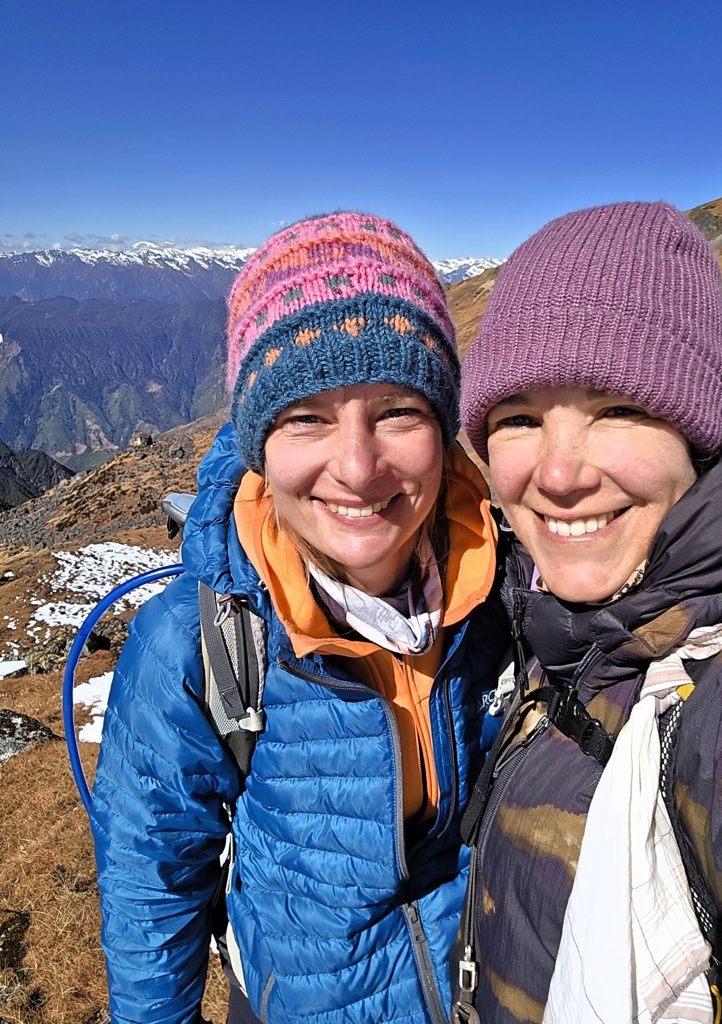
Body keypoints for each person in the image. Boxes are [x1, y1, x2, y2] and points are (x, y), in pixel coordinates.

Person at [90, 212, 508, 1024]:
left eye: (398, 411)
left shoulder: (511, 590)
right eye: (306, 417)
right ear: (257, 442)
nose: (357, 467)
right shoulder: (196, 642)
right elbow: (153, 877)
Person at [455, 201, 722, 1023]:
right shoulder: (563, 622)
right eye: (519, 419)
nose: (558, 475)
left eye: (618, 408)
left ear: (699, 433)